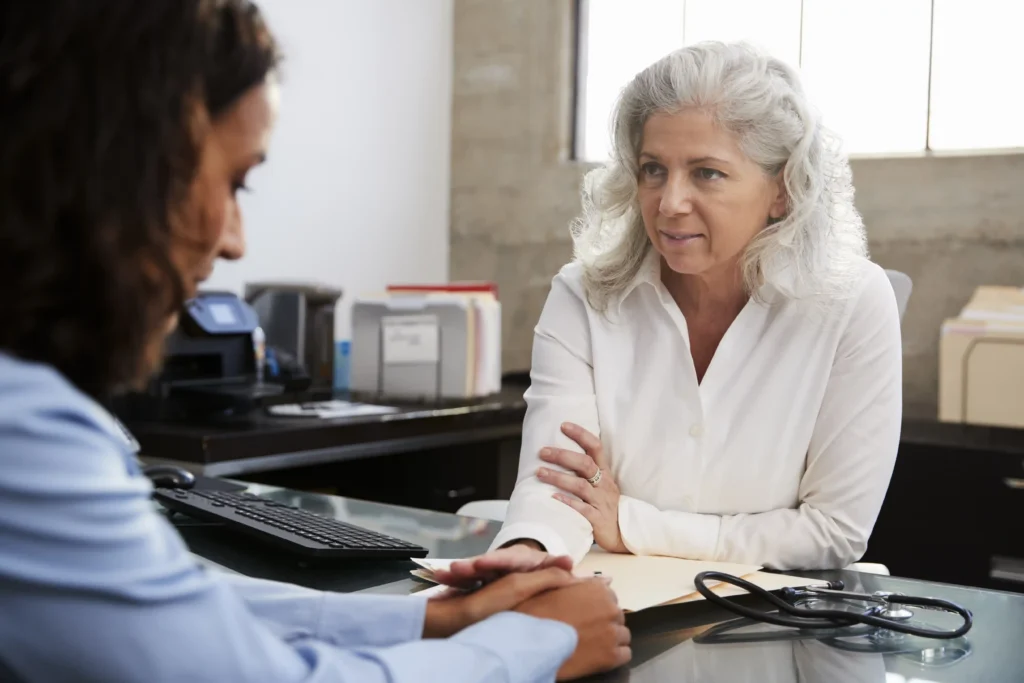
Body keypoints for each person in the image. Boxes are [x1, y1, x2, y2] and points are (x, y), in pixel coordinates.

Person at [0, 2, 630, 681]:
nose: (235, 239)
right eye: (234, 182)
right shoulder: (24, 430)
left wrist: (434, 618)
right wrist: (540, 645)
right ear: (118, 162)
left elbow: (168, 605)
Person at [439, 41, 902, 587]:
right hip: (609, 605)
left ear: (781, 189)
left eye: (706, 173)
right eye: (653, 169)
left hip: (766, 629)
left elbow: (833, 531)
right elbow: (557, 480)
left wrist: (632, 524)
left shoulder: (853, 302)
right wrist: (526, 546)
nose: (669, 202)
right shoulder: (583, 294)